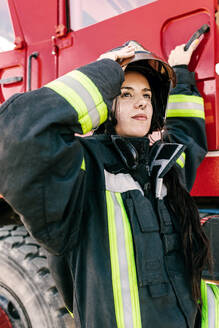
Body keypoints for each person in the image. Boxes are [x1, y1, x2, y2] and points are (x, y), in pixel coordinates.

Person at [0, 40, 211, 328]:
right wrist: (105, 73)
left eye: (147, 96)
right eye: (126, 94)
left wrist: (181, 73)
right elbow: (16, 135)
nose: (141, 103)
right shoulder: (80, 174)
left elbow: (188, 136)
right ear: (104, 105)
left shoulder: (165, 168)